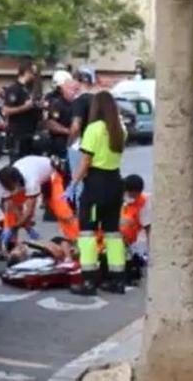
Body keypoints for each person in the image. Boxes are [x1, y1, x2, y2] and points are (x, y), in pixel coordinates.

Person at [66, 91, 126, 296]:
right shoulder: (120, 129)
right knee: (112, 232)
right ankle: (118, 279)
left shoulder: (93, 129)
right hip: (115, 182)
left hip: (96, 185)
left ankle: (89, 281)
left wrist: (73, 183)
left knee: (87, 232)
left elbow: (85, 160)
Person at [0, 155, 79, 252]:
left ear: (17, 181)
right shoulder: (4, 182)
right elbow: (10, 206)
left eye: (13, 187)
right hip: (30, 172)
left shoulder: (31, 181)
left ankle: (77, 239)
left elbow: (29, 211)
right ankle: (11, 244)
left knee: (62, 211)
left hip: (50, 176)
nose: (11, 190)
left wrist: (20, 226)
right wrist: (11, 227)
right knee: (10, 213)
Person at [66, 67, 99, 204]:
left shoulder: (79, 101)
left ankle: (82, 218)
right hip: (99, 146)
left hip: (83, 144)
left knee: (79, 182)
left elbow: (76, 126)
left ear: (78, 81)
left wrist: (68, 143)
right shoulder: (98, 100)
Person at [3, 61, 40, 162]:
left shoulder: (27, 90)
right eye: (33, 73)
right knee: (17, 164)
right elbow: (6, 110)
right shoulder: (14, 89)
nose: (34, 77)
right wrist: (24, 107)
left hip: (29, 133)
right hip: (17, 135)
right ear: (27, 72)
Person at [120, 175, 151, 285]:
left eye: (137, 194)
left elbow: (148, 228)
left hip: (128, 241)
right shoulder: (115, 196)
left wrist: (151, 251)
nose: (135, 196)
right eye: (132, 194)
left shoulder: (143, 202)